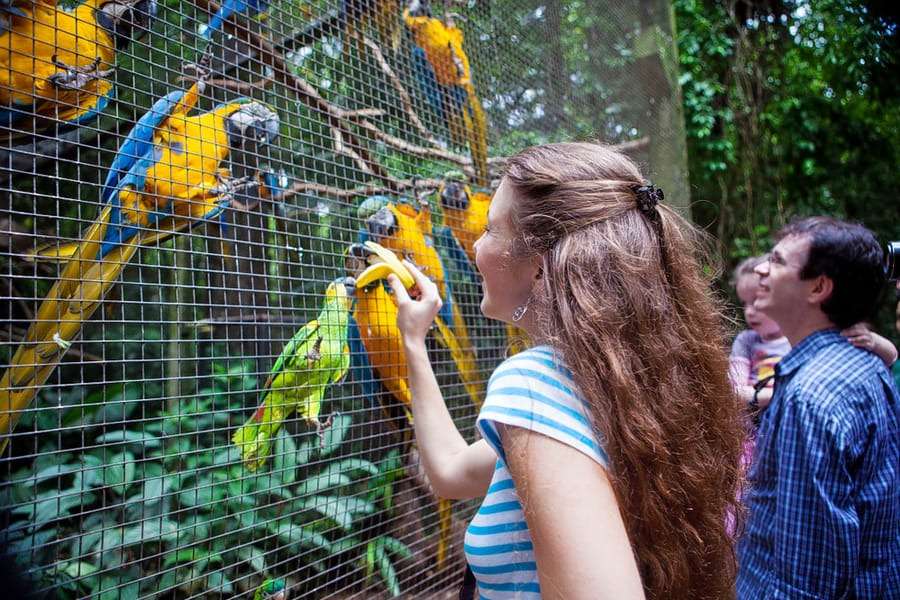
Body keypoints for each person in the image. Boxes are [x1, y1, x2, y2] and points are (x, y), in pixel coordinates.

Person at [389, 142, 744, 599]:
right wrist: (414, 341)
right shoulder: (631, 385)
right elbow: (452, 472)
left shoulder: (536, 386)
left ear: (539, 267)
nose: (475, 246)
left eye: (489, 229)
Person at [737, 217, 900, 599]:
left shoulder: (810, 397)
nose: (761, 267)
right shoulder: (864, 363)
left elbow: (807, 574)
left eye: (776, 261)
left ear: (818, 288)